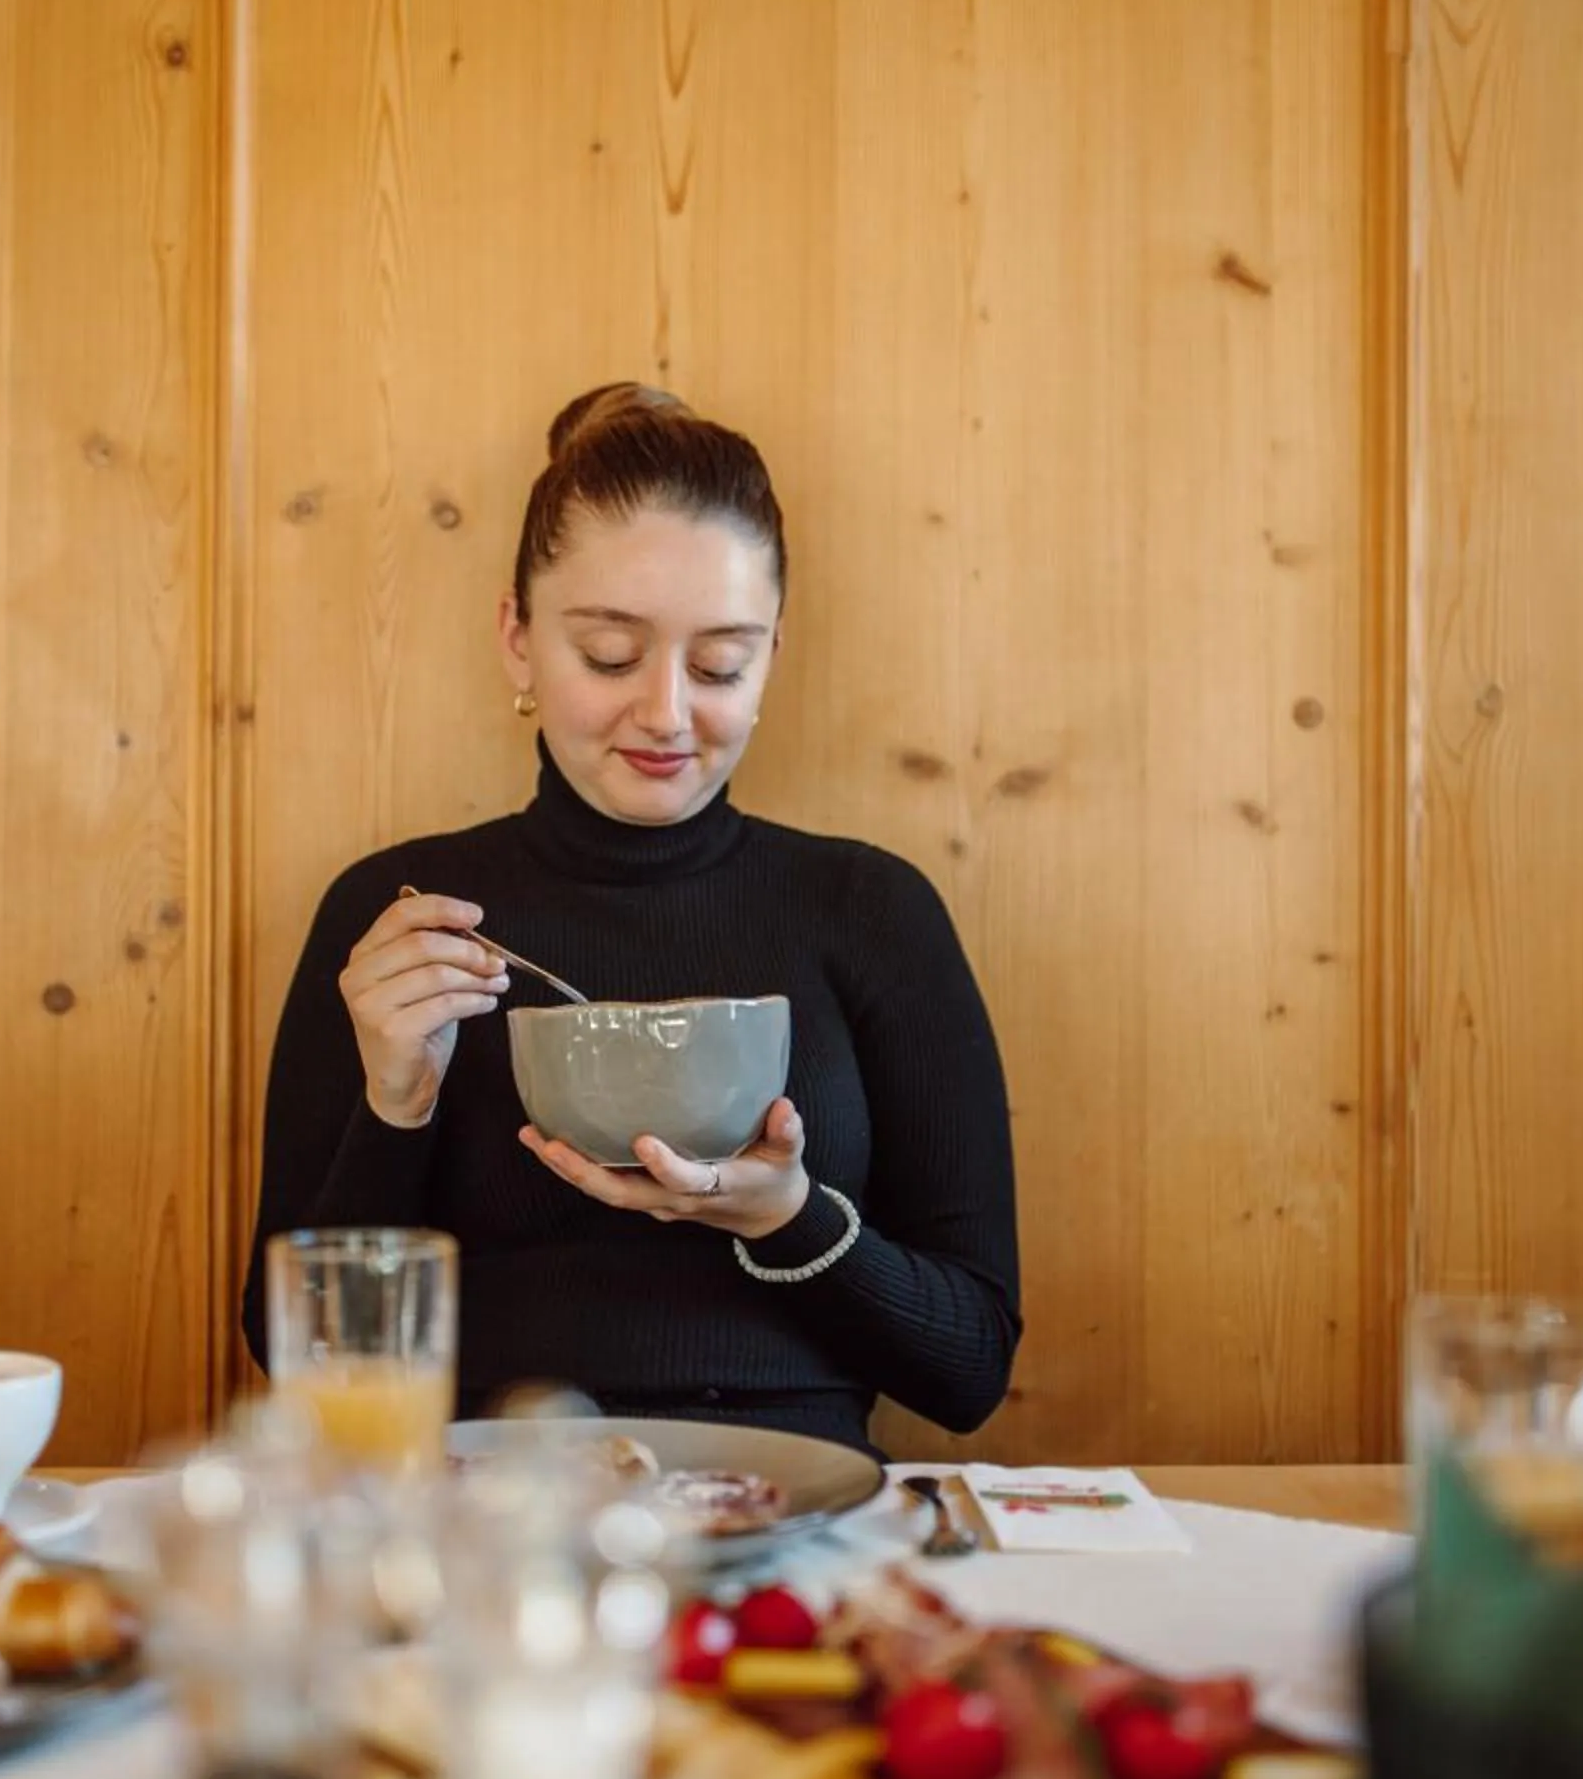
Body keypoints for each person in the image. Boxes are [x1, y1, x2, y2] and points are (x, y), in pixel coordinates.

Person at [239, 383, 1020, 1454]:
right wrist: (397, 1101)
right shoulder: (401, 920)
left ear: (773, 653)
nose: (664, 712)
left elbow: (970, 1364)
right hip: (487, 1521)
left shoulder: (871, 911)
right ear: (518, 639)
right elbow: (291, 1361)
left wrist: (784, 1215)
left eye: (719, 664)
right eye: (610, 654)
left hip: (793, 1507)